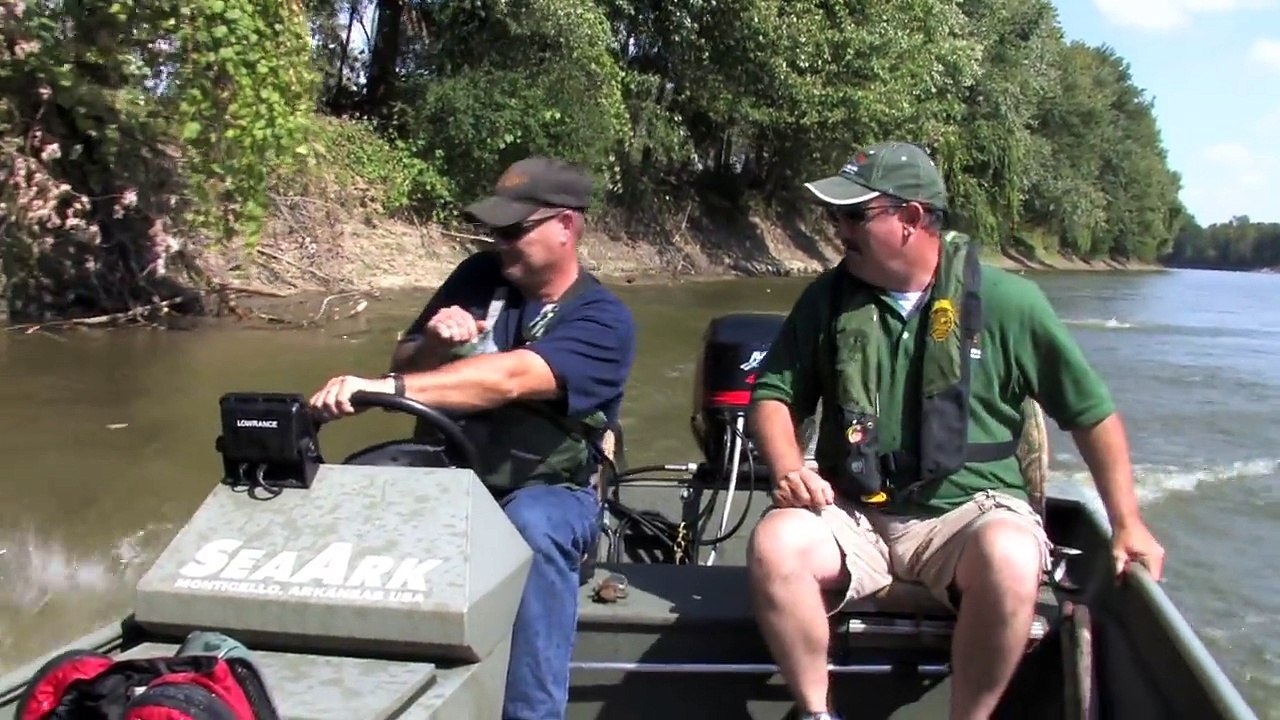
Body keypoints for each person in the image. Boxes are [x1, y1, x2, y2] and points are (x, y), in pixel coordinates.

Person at [745, 141, 1166, 720]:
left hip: (968, 515)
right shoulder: (827, 300)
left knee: (1013, 557)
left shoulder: (1009, 303)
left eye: (853, 215)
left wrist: (1127, 523)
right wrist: (790, 467)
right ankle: (818, 713)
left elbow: (1091, 415)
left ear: (912, 219)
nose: (837, 228)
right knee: (776, 543)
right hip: (855, 514)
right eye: (835, 215)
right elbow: (772, 396)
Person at [308, 156, 637, 720]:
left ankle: (531, 713)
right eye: (494, 230)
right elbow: (407, 357)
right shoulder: (478, 276)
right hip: (449, 475)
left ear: (567, 226)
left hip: (548, 488)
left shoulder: (604, 321)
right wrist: (435, 344)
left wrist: (378, 386)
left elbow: (508, 380)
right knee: (354, 500)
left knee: (533, 528)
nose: (499, 242)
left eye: (514, 230)